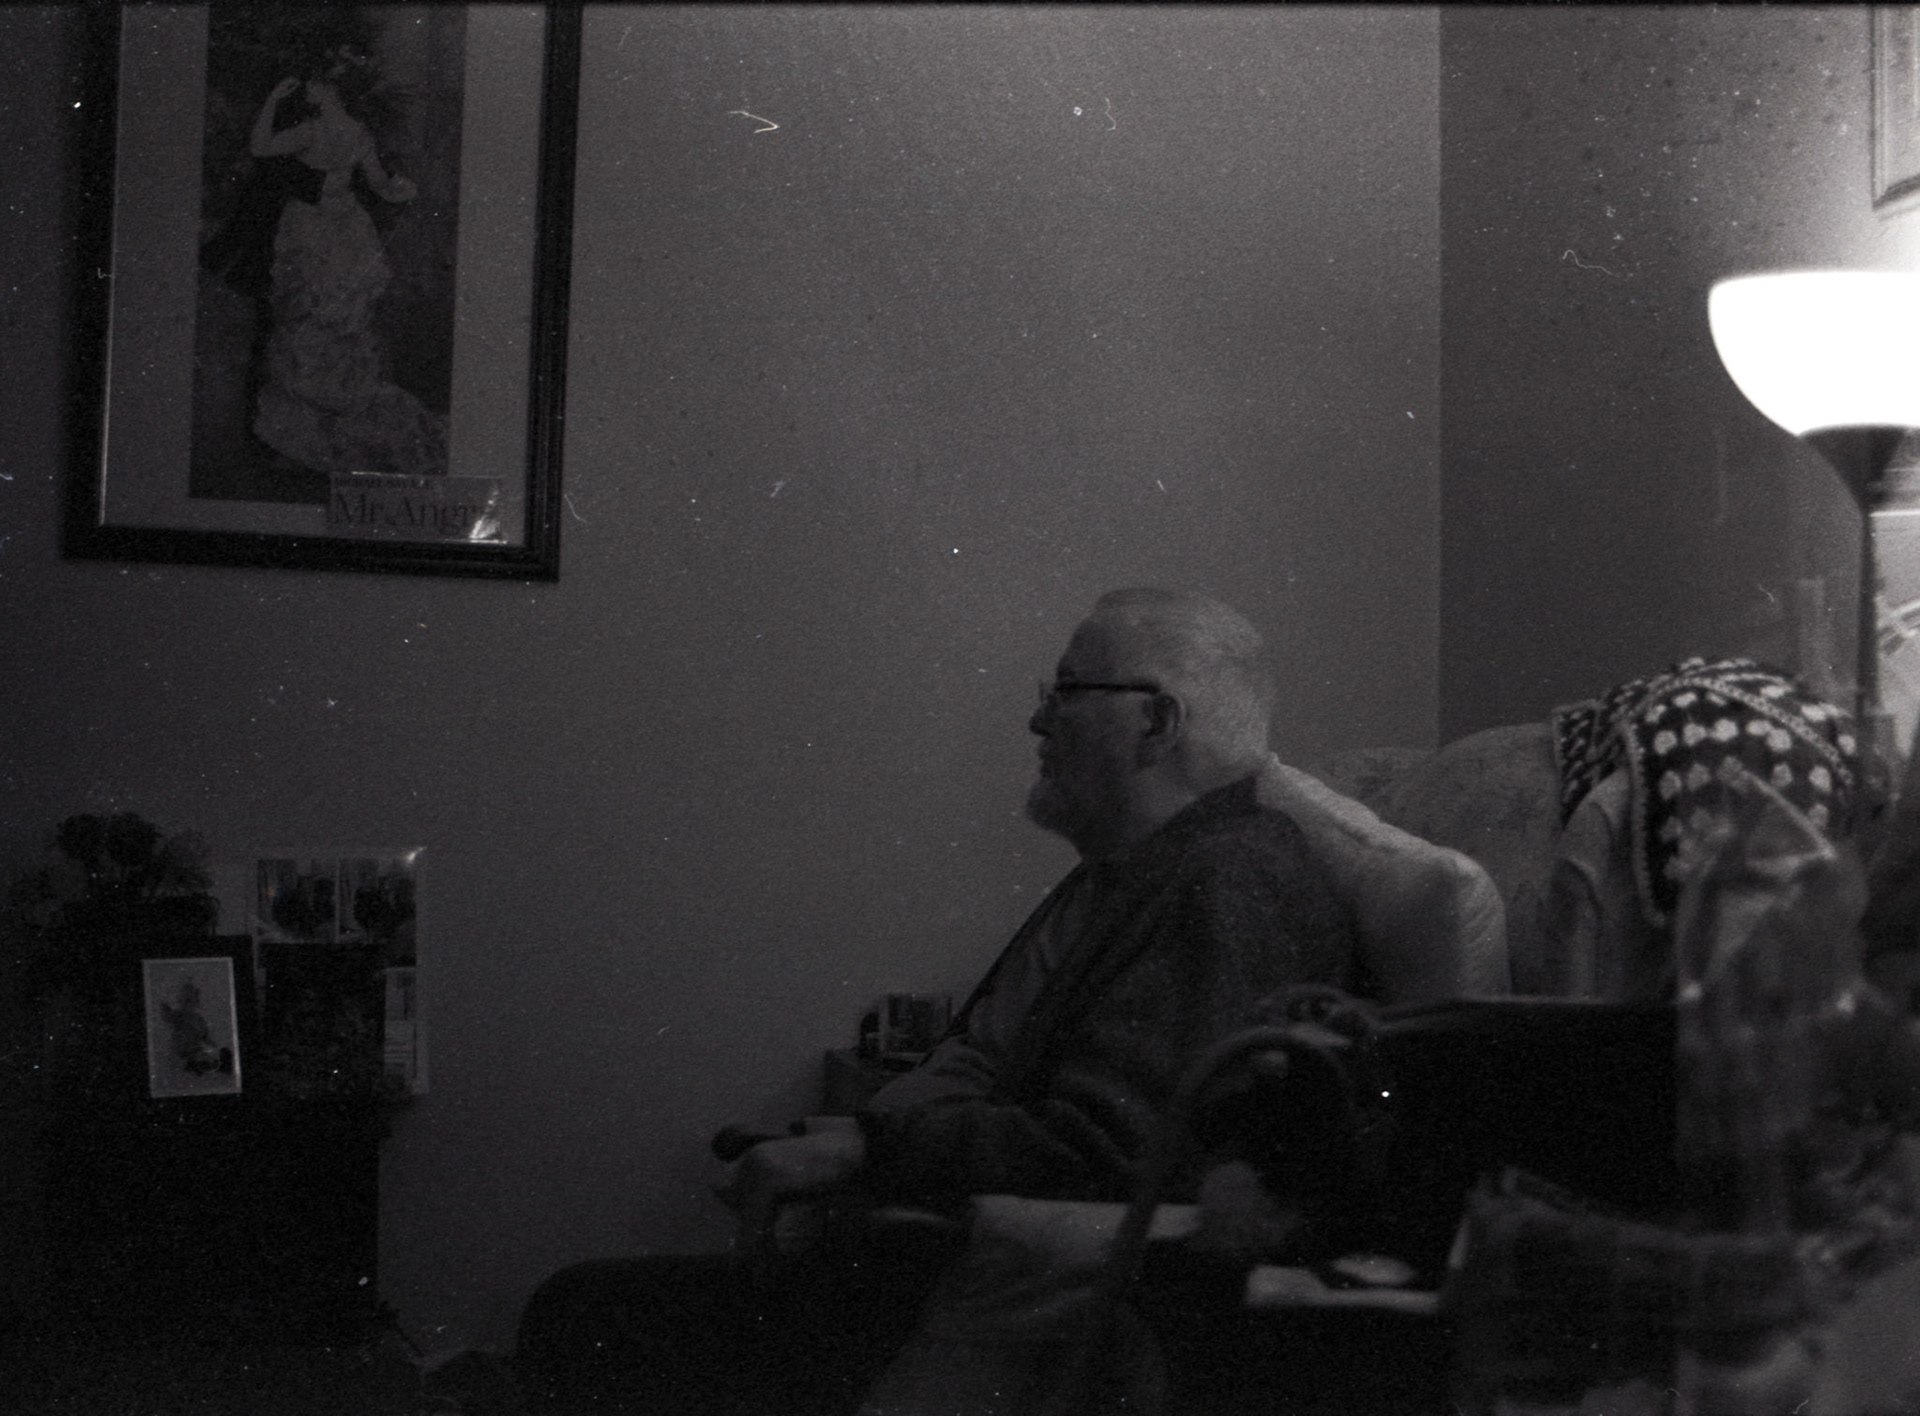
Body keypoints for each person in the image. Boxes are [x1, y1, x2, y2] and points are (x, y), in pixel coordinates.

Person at [515, 588, 1362, 1415]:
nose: (1037, 721)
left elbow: (1110, 1151)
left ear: (1157, 723)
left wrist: (870, 1147)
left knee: (580, 1316)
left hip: (1006, 1289)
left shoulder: (1225, 880)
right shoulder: (1137, 875)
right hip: (949, 1252)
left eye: (1066, 692)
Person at [238, 49, 447, 481]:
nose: (308, 89)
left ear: (330, 90)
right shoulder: (357, 132)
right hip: (349, 227)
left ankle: (310, 421)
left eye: (315, 83)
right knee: (338, 322)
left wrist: (274, 98)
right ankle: (329, 410)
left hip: (313, 228)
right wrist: (404, 190)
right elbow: (382, 186)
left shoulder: (311, 130)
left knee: (310, 319)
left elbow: (260, 146)